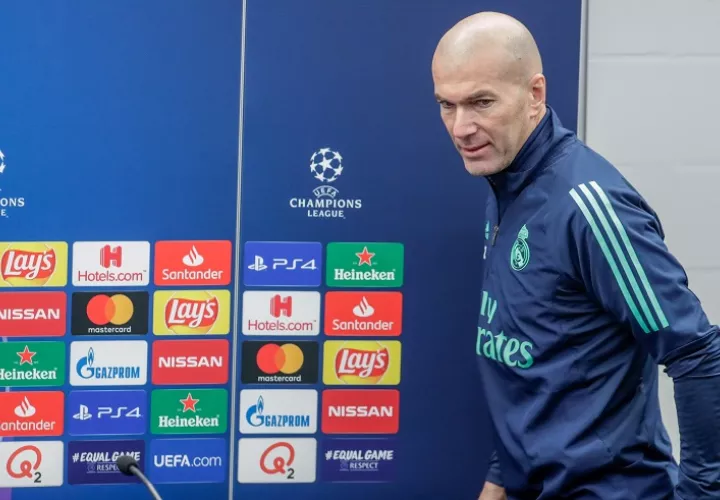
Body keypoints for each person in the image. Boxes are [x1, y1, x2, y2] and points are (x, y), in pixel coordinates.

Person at [431, 11, 720, 500]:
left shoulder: (587, 205)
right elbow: (531, 362)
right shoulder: (505, 185)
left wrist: (703, 494)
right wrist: (498, 481)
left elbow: (697, 355)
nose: (462, 127)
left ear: (535, 95)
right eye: (447, 104)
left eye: (481, 102)